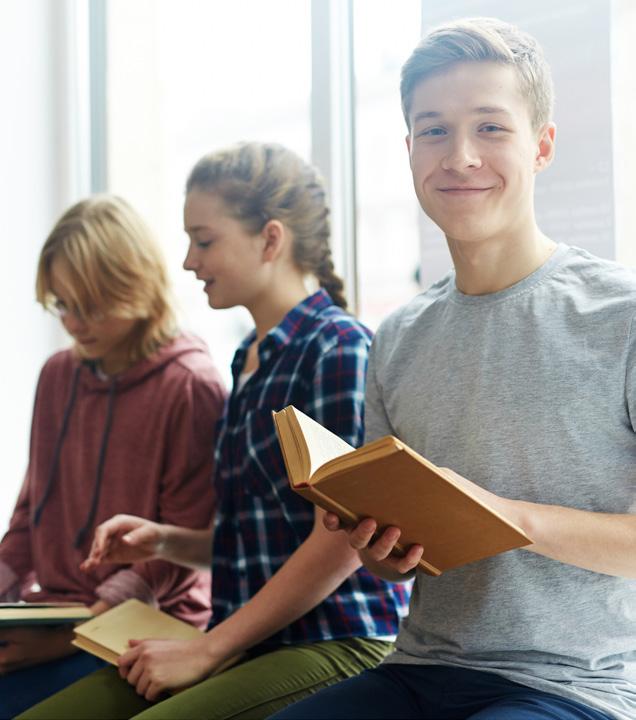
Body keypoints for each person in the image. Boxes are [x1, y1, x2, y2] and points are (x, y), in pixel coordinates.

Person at [269, 16, 636, 720]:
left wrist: (509, 516)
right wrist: (384, 550)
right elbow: (387, 560)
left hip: (577, 686)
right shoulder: (400, 335)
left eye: (491, 128)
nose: (460, 155)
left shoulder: (619, 314)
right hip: (420, 670)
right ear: (410, 150)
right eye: (434, 130)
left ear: (543, 146)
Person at [19, 142, 410, 720]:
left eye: (204, 241)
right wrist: (164, 540)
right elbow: (261, 540)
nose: (187, 262)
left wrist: (209, 648)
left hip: (335, 640)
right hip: (252, 641)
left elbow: (340, 544)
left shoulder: (337, 348)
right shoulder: (249, 358)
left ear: (270, 240)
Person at [0, 195, 227, 717]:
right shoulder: (58, 374)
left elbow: (176, 557)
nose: (75, 323)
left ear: (136, 285)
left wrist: (69, 638)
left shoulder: (190, 385)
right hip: (54, 615)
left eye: (91, 305)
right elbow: (28, 513)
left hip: (149, 627)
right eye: (62, 305)